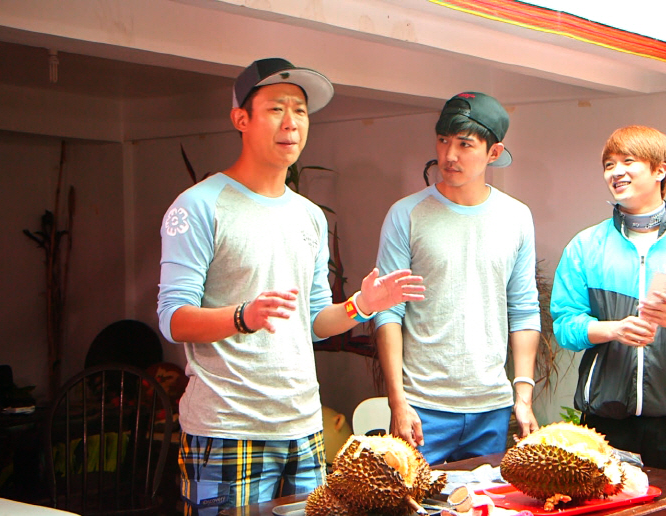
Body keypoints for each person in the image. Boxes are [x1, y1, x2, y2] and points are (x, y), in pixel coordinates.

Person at [157, 58, 425, 515]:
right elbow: (173, 319)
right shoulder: (199, 206)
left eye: (300, 111)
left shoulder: (309, 216)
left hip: (303, 428)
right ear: (241, 119)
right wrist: (243, 316)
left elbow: (315, 322)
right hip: (227, 428)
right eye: (276, 109)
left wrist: (362, 305)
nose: (291, 123)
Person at [550, 125, 666, 474]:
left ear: (660, 170)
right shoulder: (585, 246)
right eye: (609, 165)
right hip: (605, 419)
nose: (615, 172)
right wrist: (613, 329)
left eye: (628, 161)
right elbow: (565, 326)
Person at [374, 91, 541, 466]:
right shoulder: (406, 214)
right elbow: (388, 312)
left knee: (489, 498)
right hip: (422, 407)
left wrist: (523, 397)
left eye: (465, 144)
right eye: (443, 140)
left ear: (493, 153)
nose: (449, 155)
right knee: (412, 497)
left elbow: (524, 310)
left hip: (492, 407)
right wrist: (398, 401)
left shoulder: (516, 217)